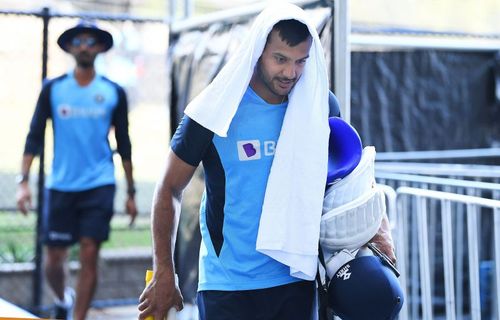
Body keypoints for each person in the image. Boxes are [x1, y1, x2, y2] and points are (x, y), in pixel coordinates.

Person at [138, 3, 394, 320]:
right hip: (228, 286)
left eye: (301, 61)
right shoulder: (215, 109)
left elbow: (343, 182)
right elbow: (168, 188)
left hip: (297, 279)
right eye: (280, 59)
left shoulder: (319, 106)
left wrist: (374, 234)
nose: (290, 73)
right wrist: (164, 270)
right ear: (258, 51)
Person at [16, 20, 137, 320]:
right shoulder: (54, 89)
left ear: (99, 48)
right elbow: (34, 135)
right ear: (70, 48)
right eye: (78, 41)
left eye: (90, 41)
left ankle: (78, 318)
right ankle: (62, 299)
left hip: (99, 183)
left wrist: (131, 192)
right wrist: (23, 182)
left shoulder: (112, 92)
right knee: (53, 260)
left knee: (89, 252)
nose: (84, 46)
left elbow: (124, 143)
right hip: (61, 184)